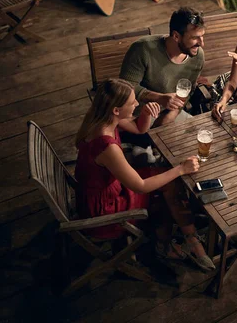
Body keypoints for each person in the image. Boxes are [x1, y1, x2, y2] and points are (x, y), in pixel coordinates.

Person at [74, 79, 215, 271]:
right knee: (166, 186)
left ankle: (190, 239)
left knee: (166, 179)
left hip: (100, 189)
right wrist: (181, 169)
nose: (137, 104)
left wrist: (147, 114)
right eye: (132, 103)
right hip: (105, 210)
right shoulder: (106, 146)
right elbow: (140, 186)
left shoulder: (102, 118)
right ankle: (168, 245)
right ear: (116, 109)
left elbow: (140, 129)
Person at [120, 7, 206, 127]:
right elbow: (125, 88)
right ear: (176, 36)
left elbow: (188, 89)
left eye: (202, 36)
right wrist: (159, 98)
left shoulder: (198, 56)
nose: (202, 43)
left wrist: (173, 114)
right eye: (194, 38)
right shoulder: (142, 49)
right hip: (135, 116)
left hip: (170, 113)